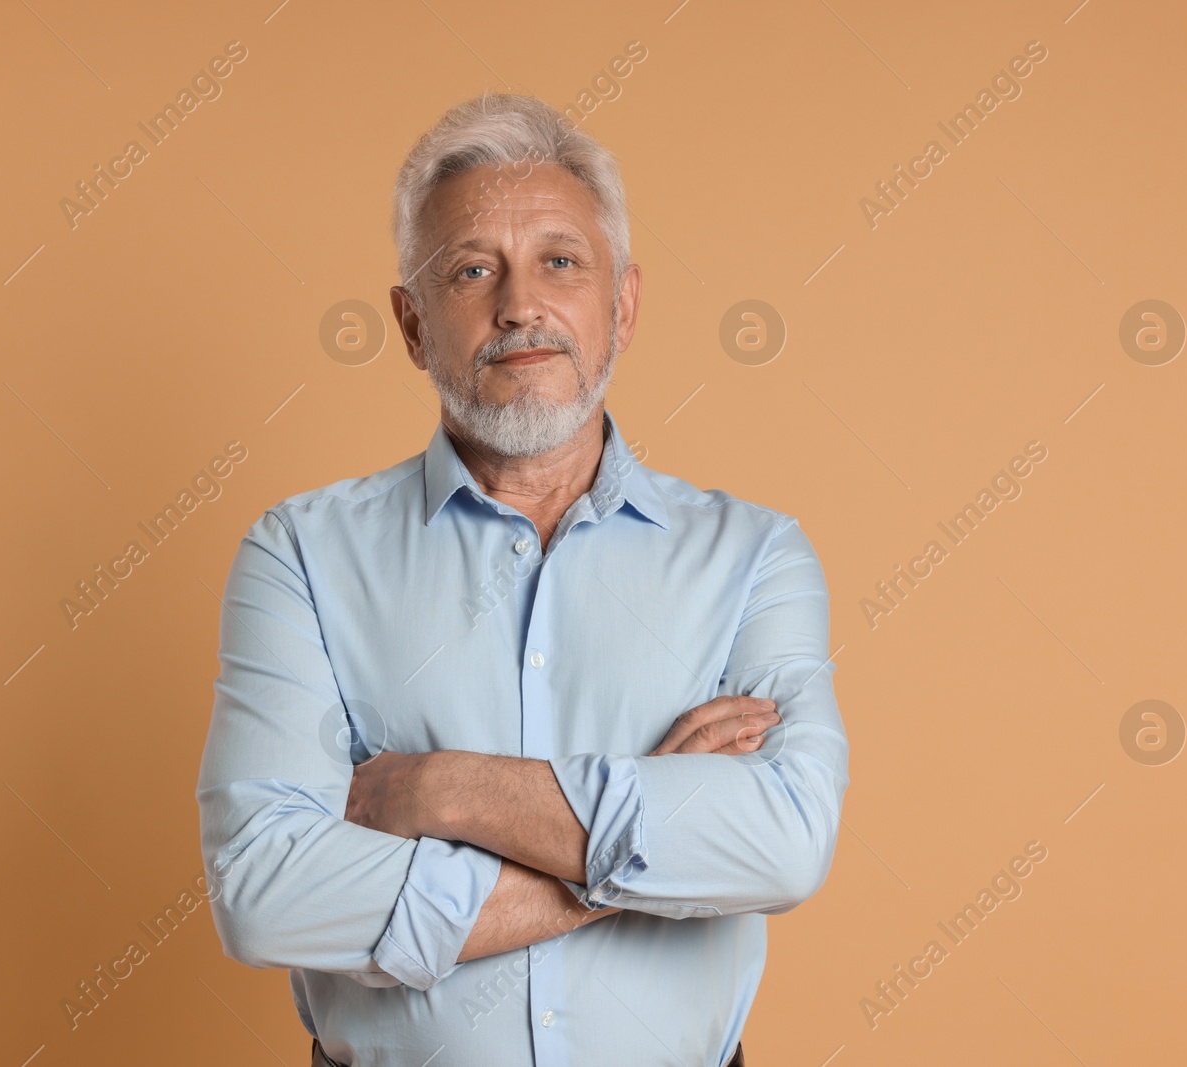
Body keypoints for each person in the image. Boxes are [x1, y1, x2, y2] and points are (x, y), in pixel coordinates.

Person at [196, 91, 849, 1067]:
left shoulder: (755, 556)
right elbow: (264, 891)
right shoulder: (301, 554)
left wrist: (444, 789)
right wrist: (641, 854)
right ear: (413, 324)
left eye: (560, 261)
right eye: (471, 270)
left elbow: (784, 841)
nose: (519, 305)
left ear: (622, 304)